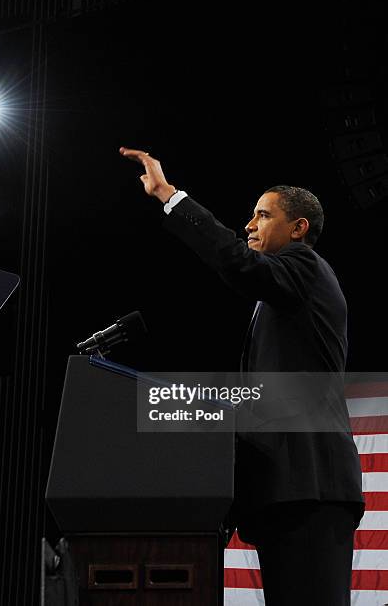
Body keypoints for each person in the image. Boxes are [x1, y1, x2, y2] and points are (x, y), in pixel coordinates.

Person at [119, 146, 365, 606]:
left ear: (298, 228)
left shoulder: (305, 267)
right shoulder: (283, 295)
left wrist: (170, 196)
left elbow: (238, 264)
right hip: (287, 490)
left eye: (262, 215)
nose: (249, 225)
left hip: (310, 488)